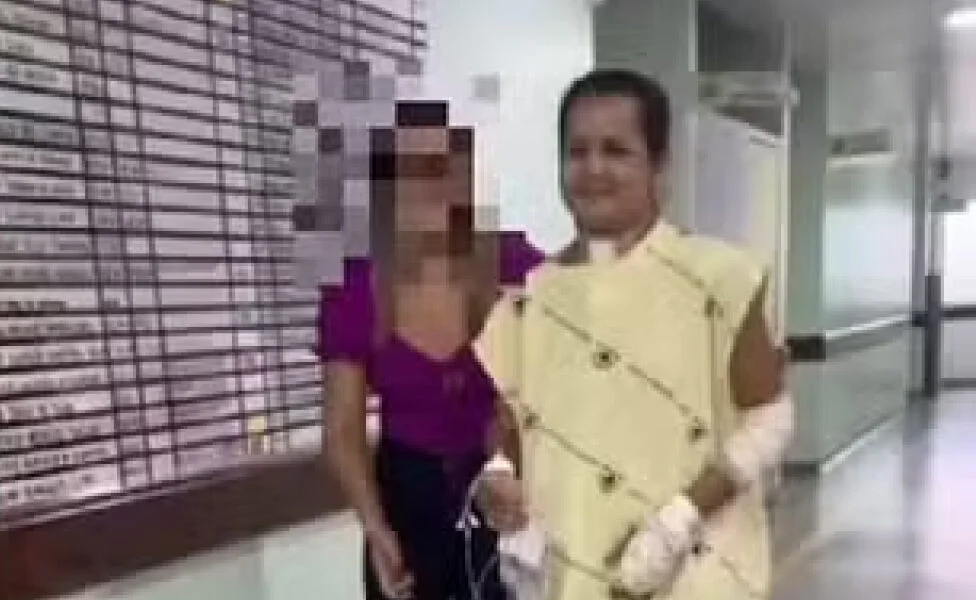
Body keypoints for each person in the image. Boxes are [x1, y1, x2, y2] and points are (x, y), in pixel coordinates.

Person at [474, 70, 794, 600]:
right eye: (577, 151)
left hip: (696, 576)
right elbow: (511, 426)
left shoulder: (719, 278)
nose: (593, 168)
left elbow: (769, 422)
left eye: (616, 150)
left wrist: (675, 524)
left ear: (659, 166)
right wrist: (499, 472)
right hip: (573, 578)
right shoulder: (527, 302)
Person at [318, 110, 545, 600]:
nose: (427, 188)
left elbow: (546, 385)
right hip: (403, 504)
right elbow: (342, 431)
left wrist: (508, 463)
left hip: (497, 488)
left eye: (440, 169)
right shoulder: (356, 285)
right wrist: (376, 530)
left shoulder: (511, 263)